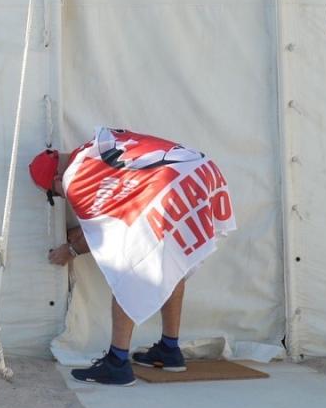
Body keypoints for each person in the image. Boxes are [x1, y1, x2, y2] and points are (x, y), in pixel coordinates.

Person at [29, 127, 236, 386]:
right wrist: (83, 231)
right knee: (172, 262)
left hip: (172, 181)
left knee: (127, 268)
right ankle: (170, 350)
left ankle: (117, 363)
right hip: (203, 170)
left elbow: (107, 233)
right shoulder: (92, 149)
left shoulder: (73, 178)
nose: (62, 197)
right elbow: (118, 201)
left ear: (57, 177)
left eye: (55, 192)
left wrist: (70, 251)